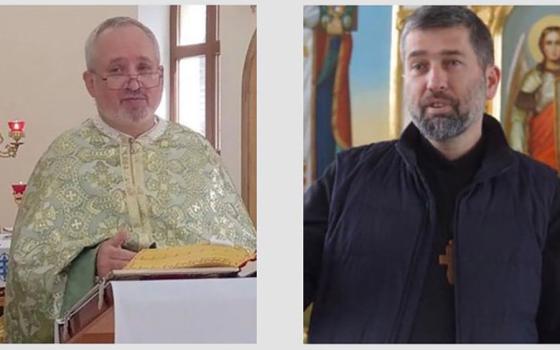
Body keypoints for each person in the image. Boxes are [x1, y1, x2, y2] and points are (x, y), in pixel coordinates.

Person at [304, 6, 560, 343]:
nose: (434, 81)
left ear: (490, 81)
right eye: (419, 65)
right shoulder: (346, 180)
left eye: (452, 62)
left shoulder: (545, 194)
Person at [5, 17, 256, 343]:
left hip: (195, 328)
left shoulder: (196, 152)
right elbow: (28, 267)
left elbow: (244, 251)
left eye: (145, 68)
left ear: (161, 76)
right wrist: (90, 265)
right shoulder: (63, 158)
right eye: (117, 70)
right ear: (90, 82)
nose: (134, 82)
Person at [509, 26, 560, 171]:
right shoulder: (533, 79)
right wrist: (517, 150)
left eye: (558, 43)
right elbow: (519, 118)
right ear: (542, 47)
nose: (554, 48)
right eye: (549, 43)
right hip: (541, 147)